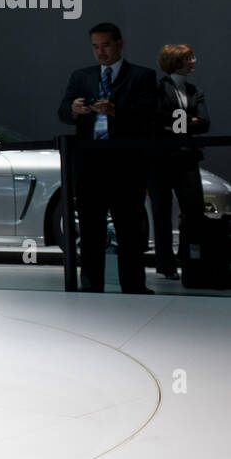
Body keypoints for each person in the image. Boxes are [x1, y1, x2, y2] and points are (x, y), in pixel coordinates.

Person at [57, 22, 158, 293]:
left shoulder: (142, 76)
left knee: (129, 230)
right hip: (90, 164)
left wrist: (116, 111)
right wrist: (75, 109)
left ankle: (134, 285)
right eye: (96, 46)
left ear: (119, 44)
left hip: (126, 165)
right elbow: (63, 110)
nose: (101, 52)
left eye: (106, 45)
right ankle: (91, 286)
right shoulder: (82, 77)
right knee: (90, 230)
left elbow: (149, 114)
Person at [148, 43, 209, 279]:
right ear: (176, 61)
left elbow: (205, 123)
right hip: (161, 160)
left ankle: (189, 259)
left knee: (193, 212)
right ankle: (166, 264)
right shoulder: (158, 88)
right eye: (189, 58)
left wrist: (178, 122)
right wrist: (187, 121)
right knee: (162, 213)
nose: (193, 61)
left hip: (187, 158)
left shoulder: (195, 89)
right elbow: (156, 121)